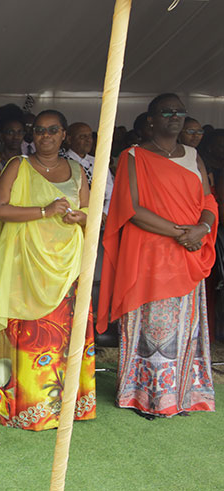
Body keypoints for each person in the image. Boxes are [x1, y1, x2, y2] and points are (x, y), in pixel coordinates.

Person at [99, 93, 217, 419]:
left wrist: (202, 230)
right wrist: (182, 233)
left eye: (180, 111)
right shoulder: (133, 156)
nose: (175, 116)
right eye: (167, 111)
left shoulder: (193, 155)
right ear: (151, 119)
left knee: (184, 328)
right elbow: (131, 208)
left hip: (189, 254)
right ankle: (144, 397)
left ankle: (180, 395)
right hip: (152, 254)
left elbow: (208, 201)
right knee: (152, 329)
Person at [0, 109, 95, 430]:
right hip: (24, 264)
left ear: (64, 136)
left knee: (62, 337)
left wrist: (80, 217)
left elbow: (90, 212)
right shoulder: (18, 165)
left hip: (67, 264)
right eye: (40, 131)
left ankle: (64, 408)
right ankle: (22, 409)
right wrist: (45, 210)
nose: (45, 136)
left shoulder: (77, 170)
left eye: (52, 130)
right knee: (26, 337)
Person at [66, 122, 114, 218]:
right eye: (83, 137)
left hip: (100, 218)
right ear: (69, 139)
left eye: (90, 136)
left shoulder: (98, 162)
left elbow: (110, 191)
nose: (88, 140)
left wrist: (104, 213)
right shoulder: (64, 161)